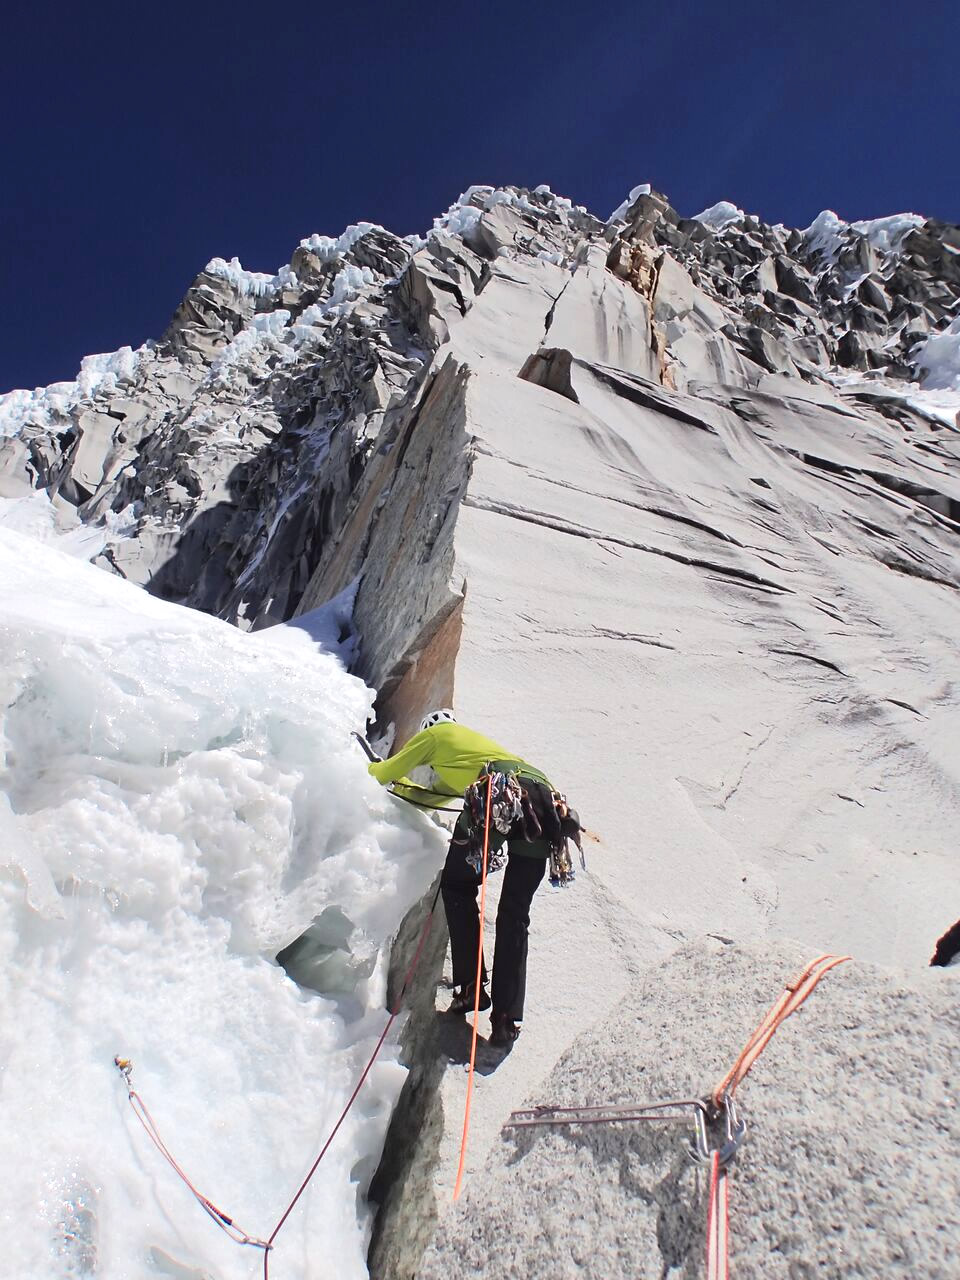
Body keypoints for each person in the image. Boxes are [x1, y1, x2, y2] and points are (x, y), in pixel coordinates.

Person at [367, 709, 560, 1048]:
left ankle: (470, 989)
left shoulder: (436, 736)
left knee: (458, 885)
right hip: (544, 801)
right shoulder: (470, 754)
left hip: (498, 791)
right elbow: (428, 796)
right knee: (515, 916)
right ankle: (506, 1021)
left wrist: (360, 762)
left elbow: (382, 773)